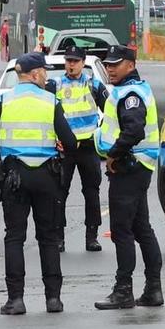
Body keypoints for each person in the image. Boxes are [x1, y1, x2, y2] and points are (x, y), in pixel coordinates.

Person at [0, 52, 79, 316]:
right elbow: (70, 141)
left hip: (13, 179)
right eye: (44, 71)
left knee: (14, 237)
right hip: (46, 178)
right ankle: (53, 299)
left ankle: (16, 300)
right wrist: (59, 151)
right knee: (48, 237)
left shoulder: (1, 100)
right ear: (34, 75)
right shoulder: (50, 101)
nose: (46, 76)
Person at [93, 45, 165, 309]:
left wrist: (113, 155)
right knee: (141, 228)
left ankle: (123, 290)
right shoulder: (133, 89)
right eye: (108, 65)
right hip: (138, 167)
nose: (110, 69)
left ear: (131, 65)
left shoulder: (130, 94)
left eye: (115, 64)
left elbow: (133, 129)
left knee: (122, 231)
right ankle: (153, 289)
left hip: (129, 167)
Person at [54, 49, 110, 251]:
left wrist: (102, 137)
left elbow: (111, 113)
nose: (71, 65)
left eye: (75, 61)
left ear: (83, 62)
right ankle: (59, 238)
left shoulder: (94, 85)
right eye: (68, 60)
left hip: (88, 147)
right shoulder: (56, 85)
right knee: (59, 193)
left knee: (91, 193)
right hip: (65, 149)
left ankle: (91, 237)